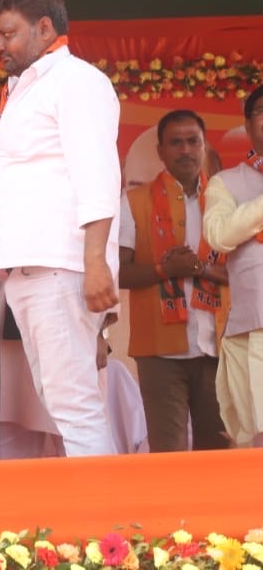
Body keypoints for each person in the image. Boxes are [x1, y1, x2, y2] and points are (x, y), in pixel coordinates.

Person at [0, 0, 121, 458]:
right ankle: (105, 518)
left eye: (8, 35)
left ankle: (111, 526)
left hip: (60, 268)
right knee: (64, 405)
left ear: (44, 28)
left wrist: (97, 262)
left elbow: (98, 176)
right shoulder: (23, 92)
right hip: (29, 270)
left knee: (76, 407)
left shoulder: (77, 81)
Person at [118, 109, 230, 452]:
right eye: (175, 142)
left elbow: (247, 272)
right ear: (160, 151)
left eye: (192, 141)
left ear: (205, 147)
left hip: (219, 348)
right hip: (159, 353)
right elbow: (119, 272)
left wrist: (199, 270)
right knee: (168, 455)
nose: (185, 150)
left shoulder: (228, 203)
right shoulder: (133, 202)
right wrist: (166, 270)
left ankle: (213, 510)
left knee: (218, 452)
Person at [203, 85, 263, 448]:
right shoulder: (226, 183)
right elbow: (219, 235)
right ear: (247, 125)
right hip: (251, 329)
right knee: (253, 441)